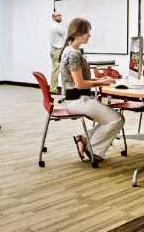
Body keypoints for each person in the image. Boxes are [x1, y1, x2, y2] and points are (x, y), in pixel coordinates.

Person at [59, 18, 125, 163]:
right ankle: (92, 148)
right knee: (117, 120)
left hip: (77, 99)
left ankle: (82, 138)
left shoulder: (70, 51)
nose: (89, 35)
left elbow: (79, 80)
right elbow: (80, 84)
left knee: (111, 119)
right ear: (79, 33)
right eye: (88, 32)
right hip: (78, 100)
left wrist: (100, 81)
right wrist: (101, 82)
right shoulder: (74, 54)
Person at [49, 12, 67, 95]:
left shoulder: (54, 26)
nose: (60, 17)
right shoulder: (56, 27)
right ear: (53, 17)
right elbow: (67, 34)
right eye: (58, 16)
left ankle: (53, 88)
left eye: (60, 15)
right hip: (57, 50)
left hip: (55, 50)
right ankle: (53, 89)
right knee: (56, 70)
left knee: (55, 69)